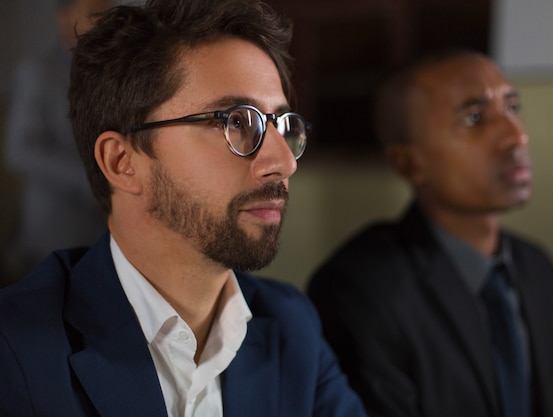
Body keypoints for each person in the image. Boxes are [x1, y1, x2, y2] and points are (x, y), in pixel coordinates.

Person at [0, 0, 368, 416]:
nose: (283, 163)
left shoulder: (290, 325)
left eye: (283, 125)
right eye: (235, 122)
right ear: (122, 163)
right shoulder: (16, 351)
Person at [307, 49, 553, 417]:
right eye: (474, 117)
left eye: (512, 108)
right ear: (409, 162)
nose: (516, 137)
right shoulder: (362, 289)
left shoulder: (534, 267)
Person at [2, 0, 111, 283]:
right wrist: (91, 182)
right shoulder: (37, 73)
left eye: (105, 14)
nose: (102, 23)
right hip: (54, 228)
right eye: (93, 15)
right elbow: (20, 150)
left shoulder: (111, 76)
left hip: (103, 230)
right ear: (64, 18)